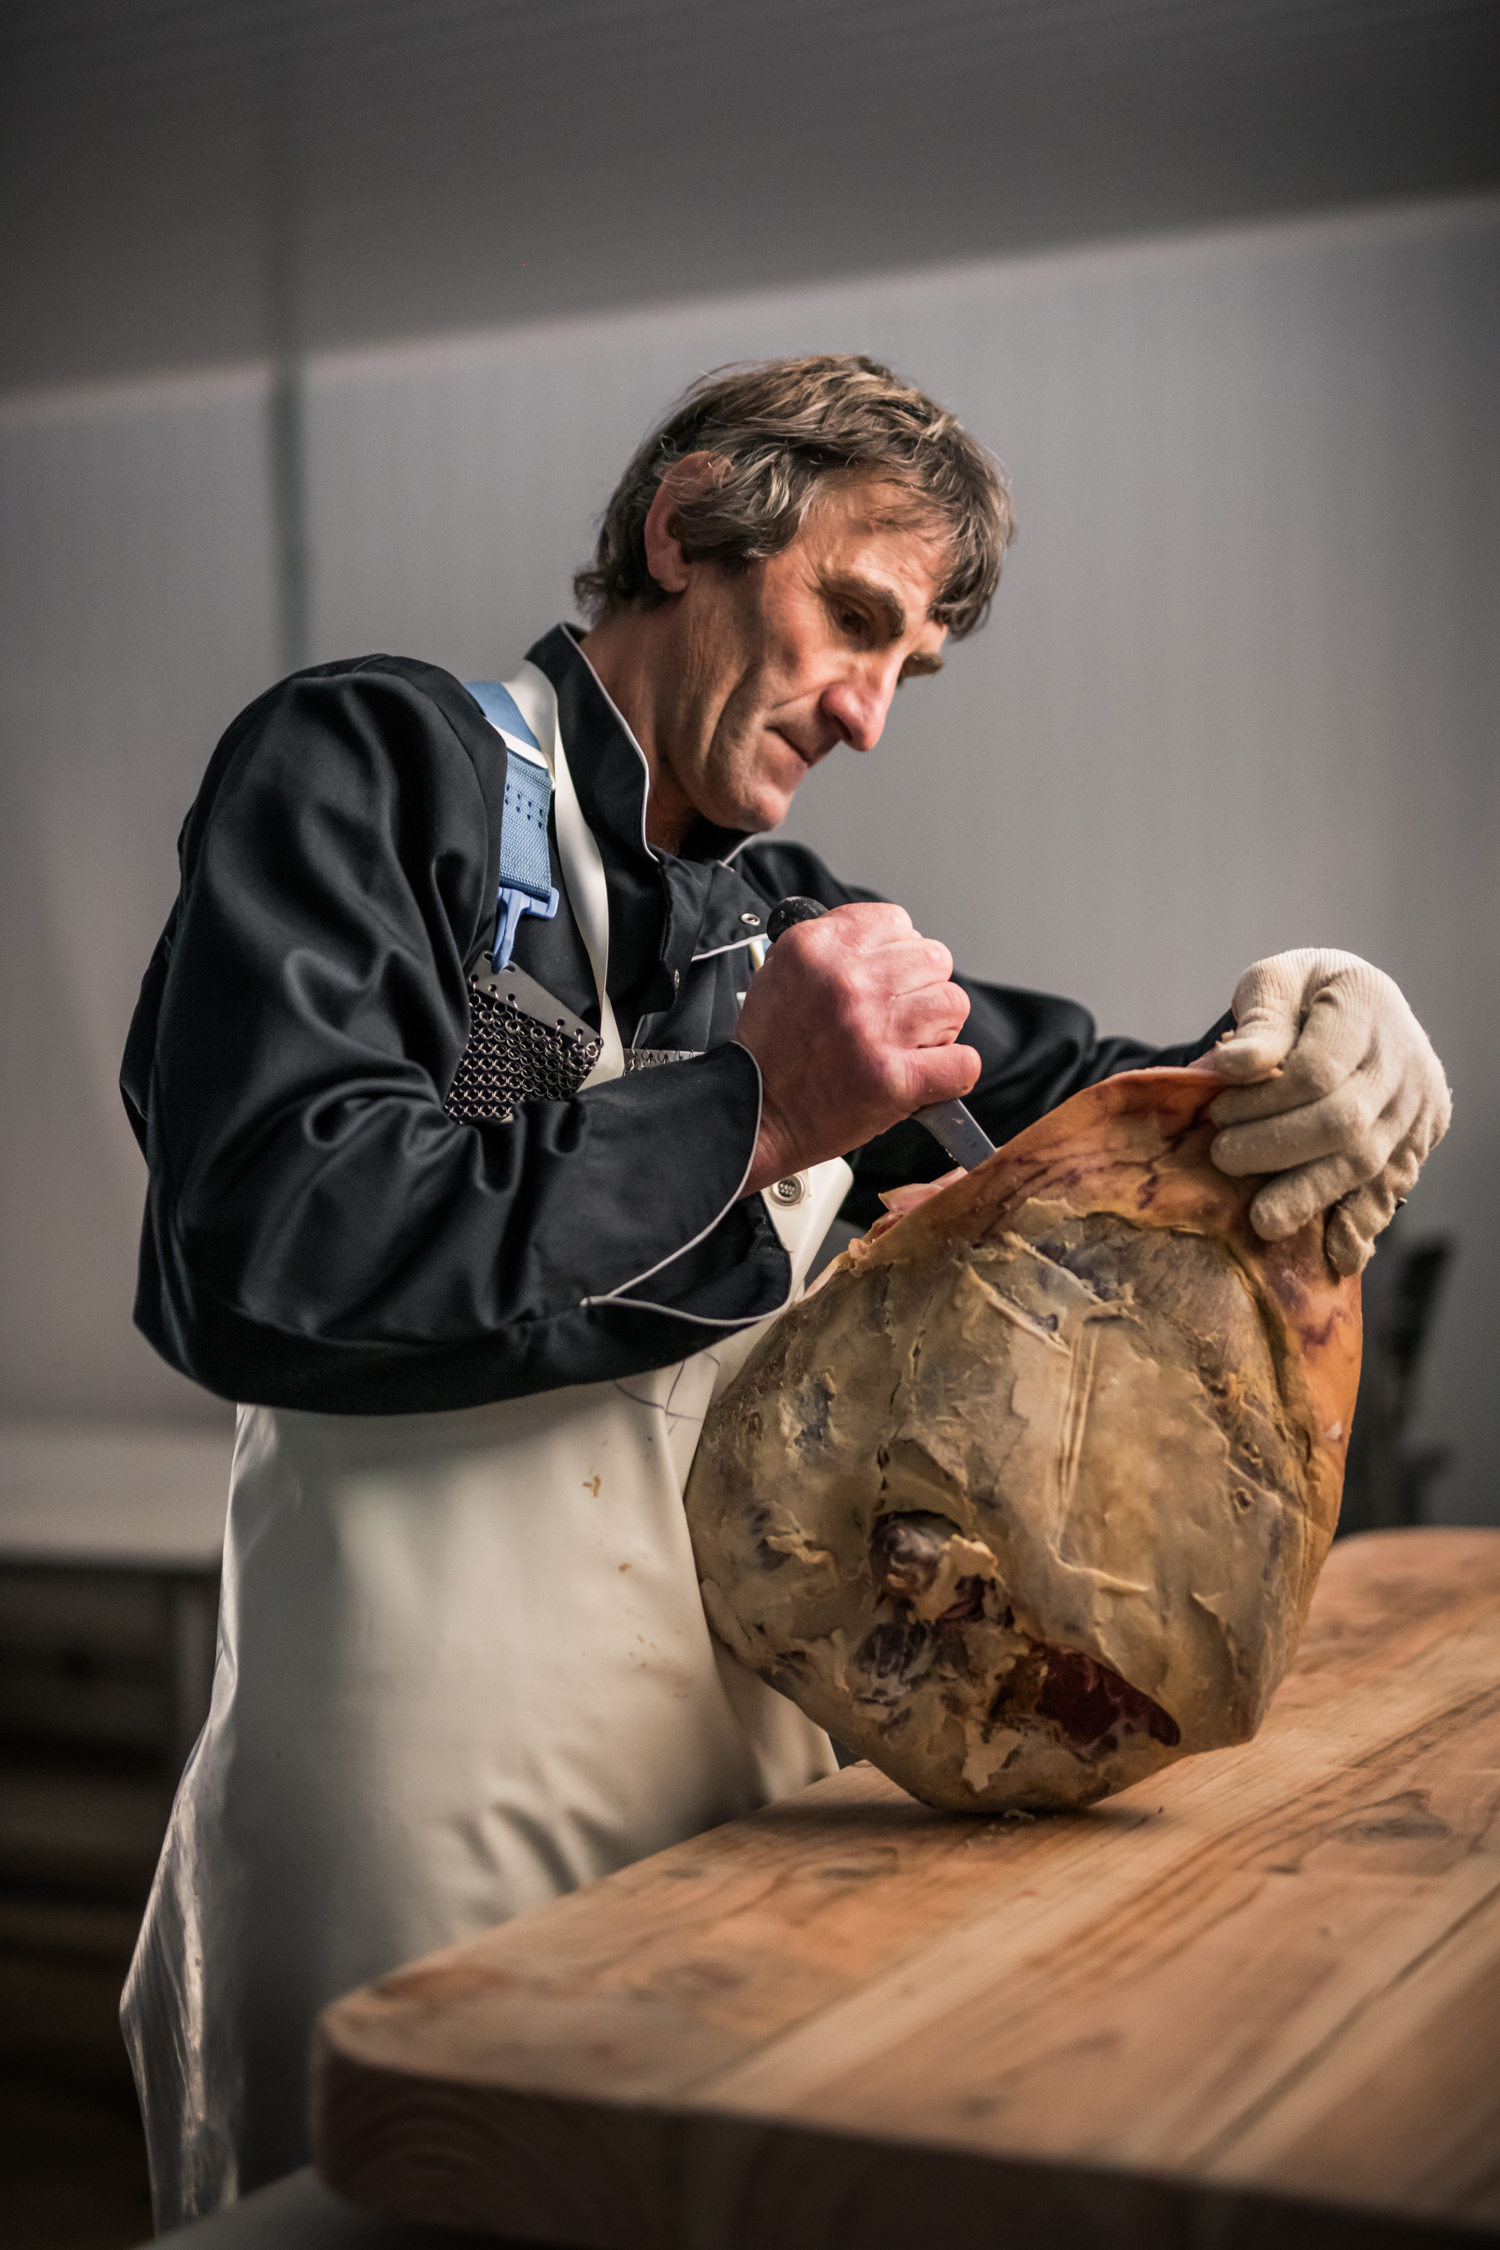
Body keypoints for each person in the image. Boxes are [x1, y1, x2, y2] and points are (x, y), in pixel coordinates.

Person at [118, 355, 1451, 2226]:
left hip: (741, 1841)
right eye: (853, 621)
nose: (871, 713)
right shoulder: (371, 767)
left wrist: (1313, 1037)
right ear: (686, 528)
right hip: (399, 1846)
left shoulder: (788, 921)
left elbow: (1102, 1119)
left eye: (911, 668)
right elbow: (265, 1247)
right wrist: (751, 1111)